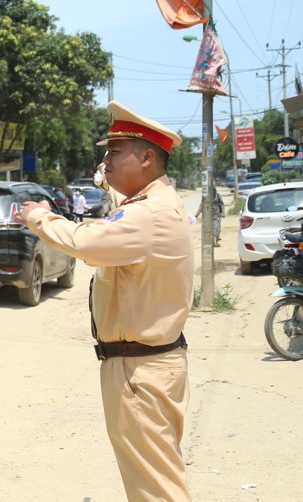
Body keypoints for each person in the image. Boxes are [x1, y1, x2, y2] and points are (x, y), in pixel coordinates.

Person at [19, 100, 193, 501]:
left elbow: (84, 242)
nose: (105, 160)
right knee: (152, 479)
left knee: (156, 488)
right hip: (145, 364)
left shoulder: (147, 214)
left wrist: (39, 216)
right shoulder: (151, 205)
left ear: (147, 157)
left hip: (140, 369)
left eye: (115, 151)